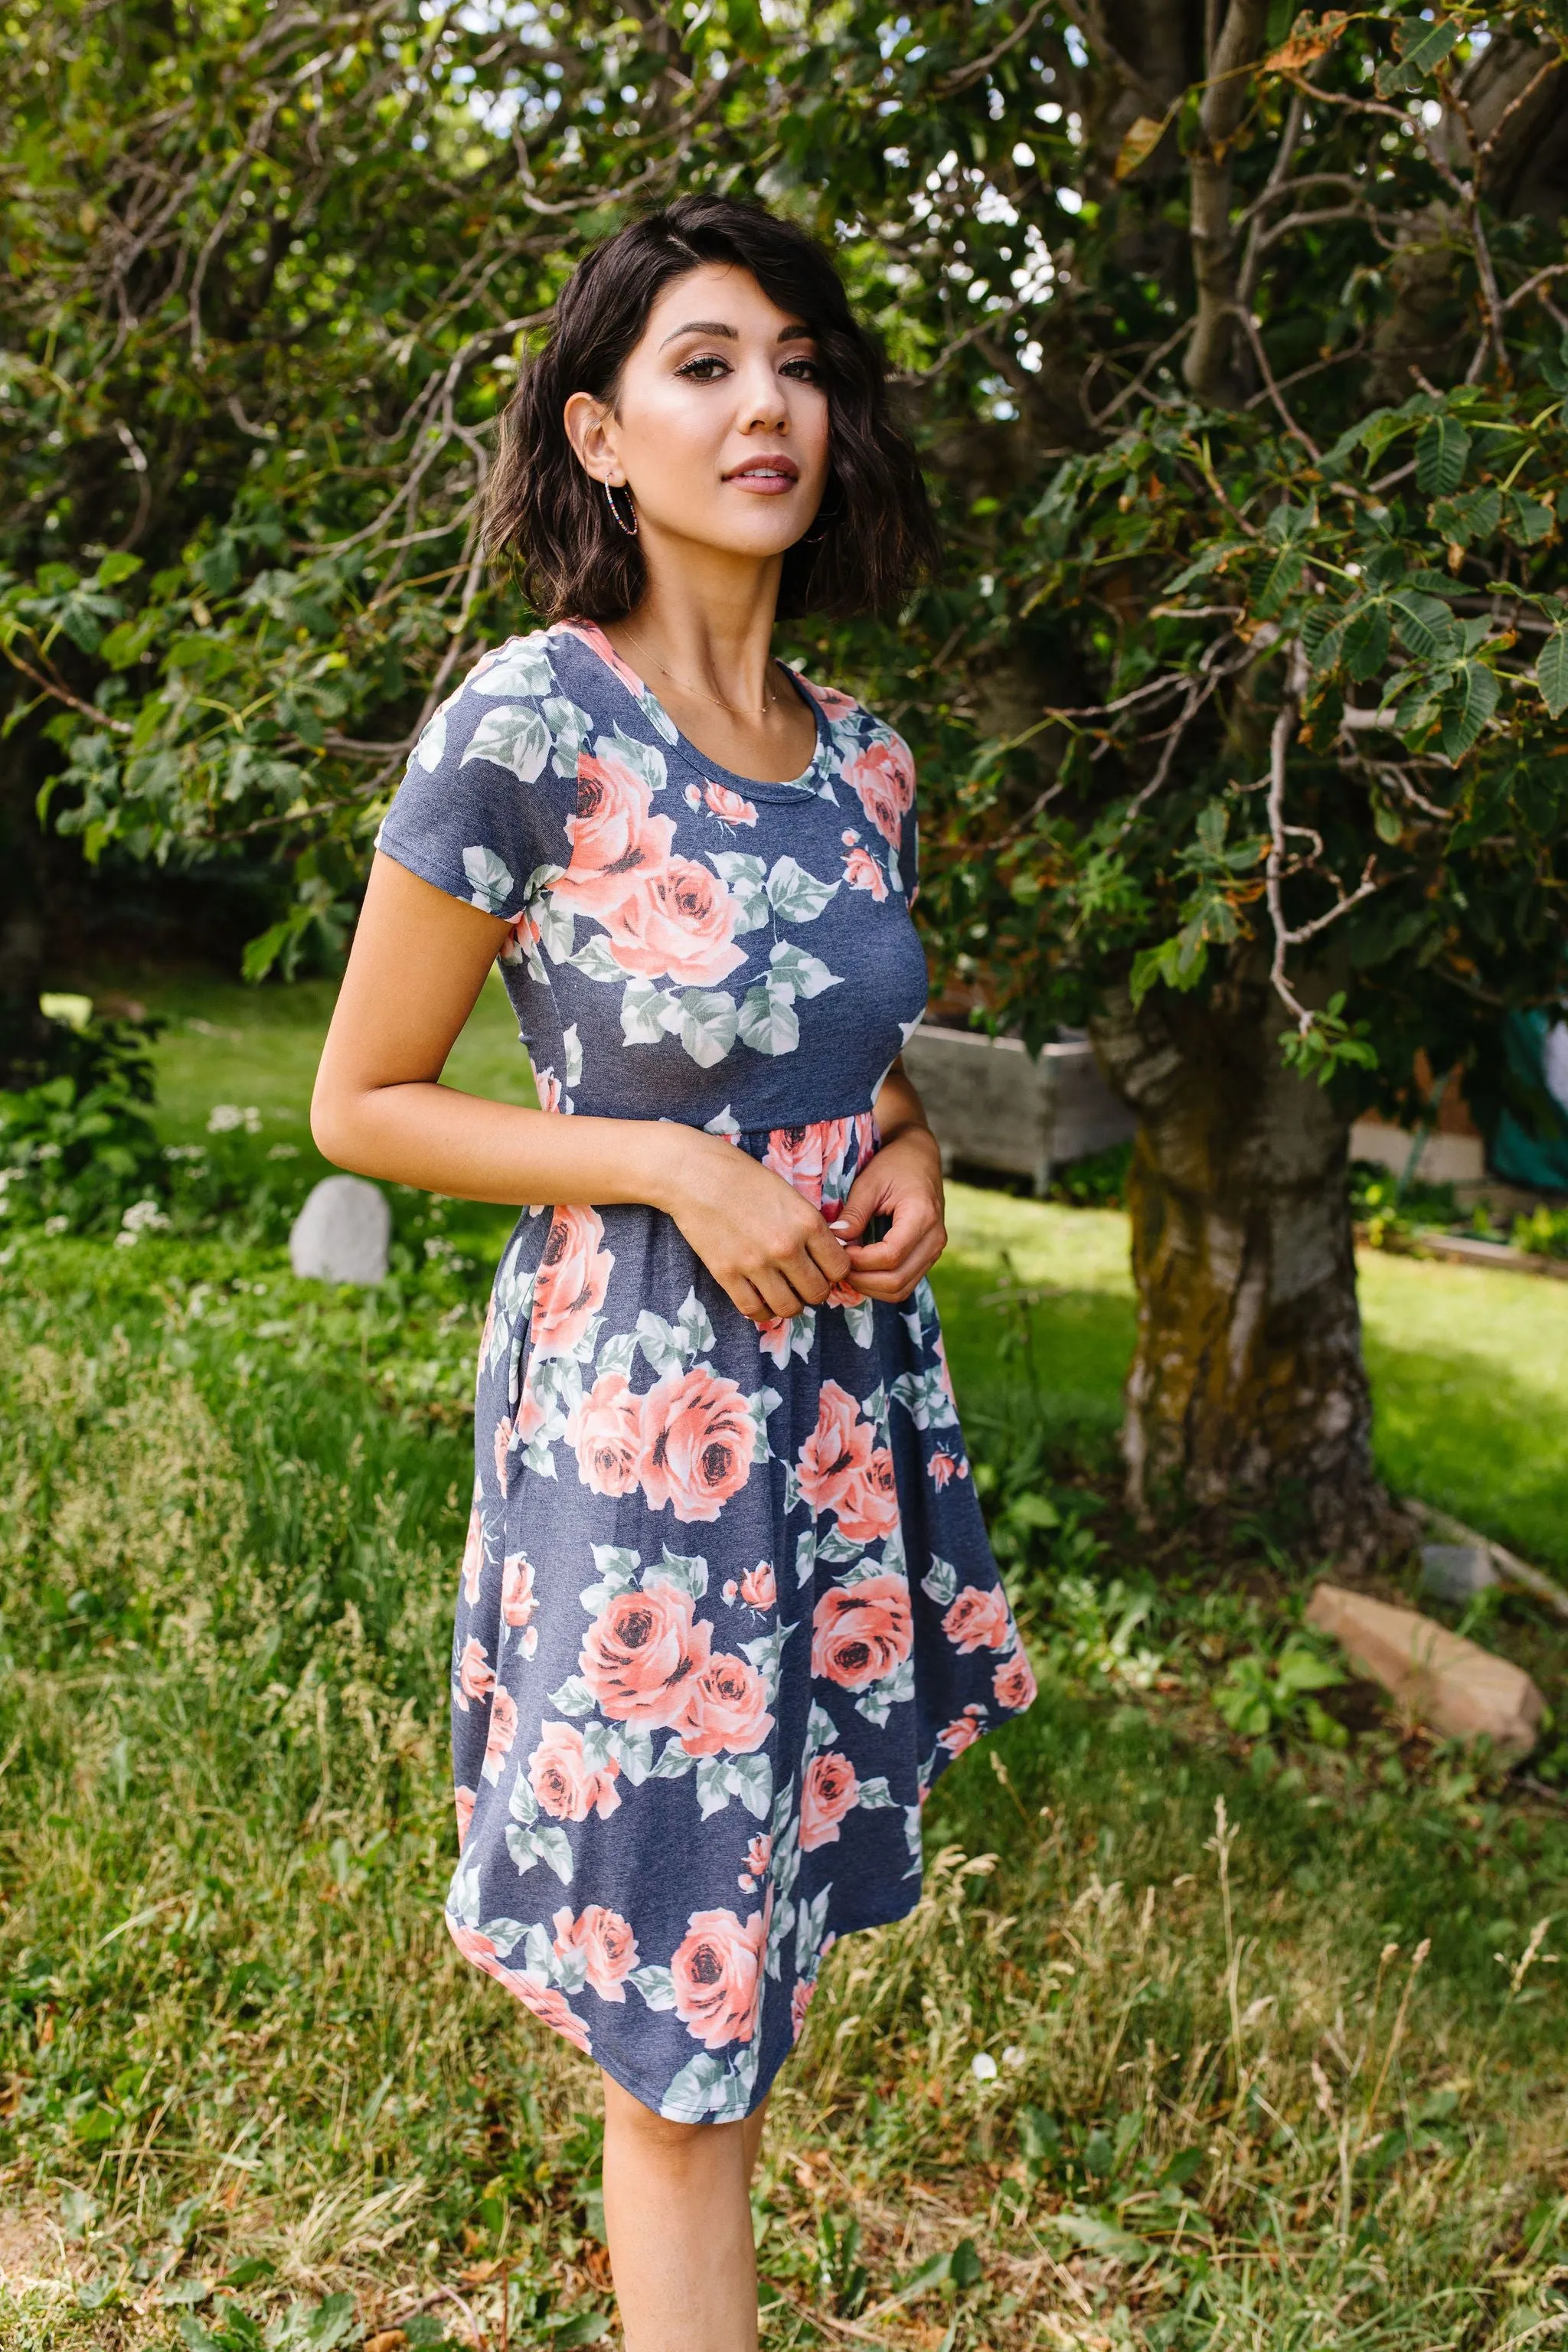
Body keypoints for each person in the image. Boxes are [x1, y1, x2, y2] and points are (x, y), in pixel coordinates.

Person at [312, 194, 1037, 2352]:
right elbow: (365, 1099)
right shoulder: (528, 730)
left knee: (751, 1985)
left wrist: (905, 1152)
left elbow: (850, 1060)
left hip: (834, 1431)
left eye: (798, 362)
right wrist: (655, 1163)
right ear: (600, 434)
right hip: (648, 1439)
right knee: (684, 2021)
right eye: (706, 362)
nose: (767, 405)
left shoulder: (866, 758)